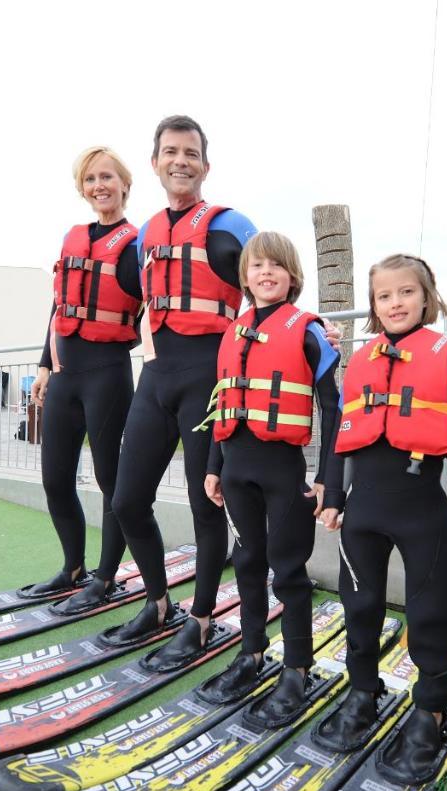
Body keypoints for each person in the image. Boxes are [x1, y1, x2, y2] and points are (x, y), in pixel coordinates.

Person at [105, 117, 341, 666]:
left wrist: (313, 327)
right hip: (158, 376)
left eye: (190, 152)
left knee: (204, 503)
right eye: (170, 152)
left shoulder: (229, 223)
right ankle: (159, 602)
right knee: (125, 499)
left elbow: (270, 277)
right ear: (156, 163)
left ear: (205, 166)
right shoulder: (144, 235)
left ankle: (203, 616)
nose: (180, 160)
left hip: (210, 377)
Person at [317, 253, 447, 783]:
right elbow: (342, 440)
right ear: (374, 305)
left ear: (426, 297)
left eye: (405, 293)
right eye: (384, 296)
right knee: (359, 608)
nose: (395, 303)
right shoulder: (359, 364)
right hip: (363, 515)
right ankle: (363, 691)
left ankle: (430, 709)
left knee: (430, 613)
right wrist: (333, 495)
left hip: (424, 513)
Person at [197, 232, 341, 721]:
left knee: (289, 570)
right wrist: (215, 468)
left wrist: (328, 478)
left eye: (276, 266)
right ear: (245, 277)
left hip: (283, 470)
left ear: (292, 276)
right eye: (257, 266)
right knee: (247, 562)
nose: (265, 273)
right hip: (236, 469)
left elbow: (331, 406)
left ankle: (298, 667)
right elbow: (222, 402)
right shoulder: (232, 332)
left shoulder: (308, 331)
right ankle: (251, 653)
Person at [23, 146, 142, 606]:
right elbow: (60, 307)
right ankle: (73, 566)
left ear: (124, 185)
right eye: (91, 179)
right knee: (55, 478)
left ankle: (106, 577)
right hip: (65, 375)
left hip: (108, 374)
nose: (100, 186)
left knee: (112, 483)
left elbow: (161, 296)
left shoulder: (135, 244)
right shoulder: (73, 239)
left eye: (108, 177)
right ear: (82, 188)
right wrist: (43, 364)